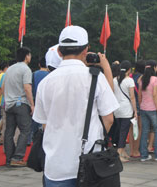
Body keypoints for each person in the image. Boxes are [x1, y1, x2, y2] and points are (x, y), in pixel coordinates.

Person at [33, 25, 118, 186]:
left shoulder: (45, 83)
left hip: (55, 166)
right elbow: (109, 118)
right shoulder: (95, 78)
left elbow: (44, 124)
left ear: (59, 51)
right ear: (86, 50)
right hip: (90, 163)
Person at [138, 60, 157, 162]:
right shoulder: (155, 79)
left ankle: (144, 155)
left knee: (145, 131)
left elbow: (139, 95)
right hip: (153, 109)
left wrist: (141, 105)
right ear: (154, 68)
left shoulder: (142, 79)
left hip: (143, 108)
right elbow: (155, 95)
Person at [113, 60, 137, 162]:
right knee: (124, 131)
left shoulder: (114, 79)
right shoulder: (129, 81)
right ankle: (119, 153)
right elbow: (132, 97)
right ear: (129, 69)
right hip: (126, 109)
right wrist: (135, 110)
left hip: (116, 109)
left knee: (120, 131)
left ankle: (122, 152)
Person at [30, 57, 49, 144]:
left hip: (35, 99)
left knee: (35, 120)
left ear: (39, 64)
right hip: (47, 99)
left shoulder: (33, 74)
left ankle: (33, 137)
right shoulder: (50, 74)